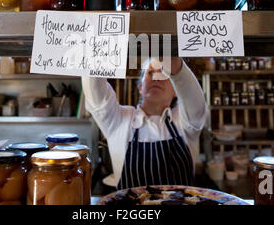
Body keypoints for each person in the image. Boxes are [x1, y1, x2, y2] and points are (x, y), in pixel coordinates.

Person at [82, 57, 208, 189]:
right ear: (140, 87)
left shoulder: (184, 121)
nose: (156, 78)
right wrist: (97, 49)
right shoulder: (119, 121)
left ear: (177, 90)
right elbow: (96, 96)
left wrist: (177, 68)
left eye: (164, 74)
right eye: (150, 73)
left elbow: (197, 105)